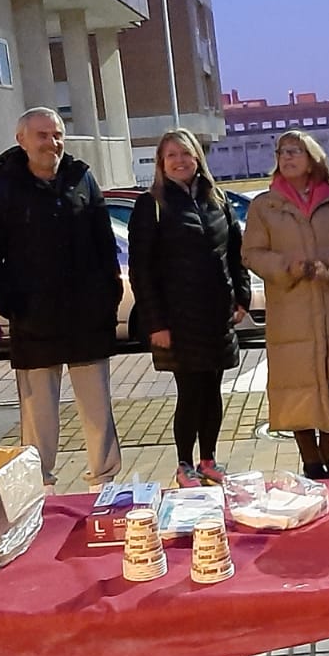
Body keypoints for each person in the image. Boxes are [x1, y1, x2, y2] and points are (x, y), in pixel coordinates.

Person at [0, 107, 122, 490]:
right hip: (33, 320)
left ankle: (103, 484)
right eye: (42, 135)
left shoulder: (81, 179)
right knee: (39, 417)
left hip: (86, 317)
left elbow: (105, 242)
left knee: (98, 411)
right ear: (21, 140)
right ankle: (39, 489)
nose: (51, 143)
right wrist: (10, 303)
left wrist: (109, 291)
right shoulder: (3, 191)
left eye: (57, 135)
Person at [129, 129, 252, 487]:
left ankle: (209, 459)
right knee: (190, 393)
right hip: (177, 320)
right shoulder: (151, 204)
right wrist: (156, 323)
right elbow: (142, 270)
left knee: (213, 392)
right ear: (161, 163)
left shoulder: (218, 200)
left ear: (197, 157)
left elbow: (234, 253)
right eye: (171, 156)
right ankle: (184, 465)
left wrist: (240, 298)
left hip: (216, 317)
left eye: (186, 153)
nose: (180, 161)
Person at [242, 130, 329, 479]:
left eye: (295, 151)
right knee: (295, 385)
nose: (288, 157)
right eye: (283, 152)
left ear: (312, 158)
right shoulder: (264, 205)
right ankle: (310, 459)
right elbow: (251, 252)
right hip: (290, 309)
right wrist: (287, 268)